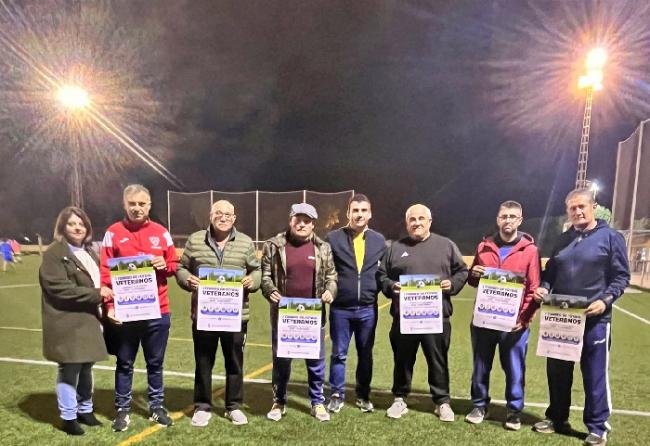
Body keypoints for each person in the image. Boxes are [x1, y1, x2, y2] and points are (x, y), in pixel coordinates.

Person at [533, 189, 630, 446]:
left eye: (581, 207)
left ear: (593, 206)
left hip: (595, 319)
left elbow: (622, 277)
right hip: (561, 316)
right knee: (558, 372)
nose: (577, 211)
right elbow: (550, 272)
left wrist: (605, 300)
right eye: (572, 208)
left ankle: (598, 427)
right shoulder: (563, 239)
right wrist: (544, 286)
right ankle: (557, 418)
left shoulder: (611, 237)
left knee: (594, 373)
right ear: (568, 211)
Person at [377, 204, 468, 421]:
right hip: (404, 318)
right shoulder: (395, 248)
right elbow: (382, 275)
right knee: (402, 360)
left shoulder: (446, 245)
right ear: (407, 223)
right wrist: (391, 286)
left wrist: (453, 284)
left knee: (437, 360)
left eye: (421, 219)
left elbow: (462, 270)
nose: (417, 223)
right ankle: (399, 398)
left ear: (429, 221)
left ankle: (442, 401)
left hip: (436, 318)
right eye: (412, 219)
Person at [100, 184, 179, 432]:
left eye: (141, 204)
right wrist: (110, 305)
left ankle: (156, 407)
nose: (137, 208)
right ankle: (122, 410)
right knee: (125, 363)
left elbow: (175, 264)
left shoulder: (161, 232)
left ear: (149, 205)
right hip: (126, 312)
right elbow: (105, 272)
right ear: (124, 205)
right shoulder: (112, 233)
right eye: (132, 203)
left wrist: (163, 264)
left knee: (155, 363)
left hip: (158, 311)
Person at [176, 200, 261, 427]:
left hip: (236, 316)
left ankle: (233, 406)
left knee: (235, 363)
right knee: (204, 362)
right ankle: (202, 406)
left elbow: (256, 269)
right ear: (210, 216)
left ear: (234, 218)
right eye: (218, 213)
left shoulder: (245, 242)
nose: (223, 218)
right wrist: (187, 279)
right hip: (205, 315)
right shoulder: (195, 240)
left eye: (228, 214)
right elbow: (181, 268)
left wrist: (253, 281)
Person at [464, 200, 541, 430]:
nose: (507, 220)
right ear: (498, 219)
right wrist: (473, 274)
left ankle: (514, 411)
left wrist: (525, 319)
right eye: (504, 216)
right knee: (480, 365)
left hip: (514, 324)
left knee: (514, 368)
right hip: (484, 320)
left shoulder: (530, 250)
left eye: (512, 216)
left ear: (520, 220)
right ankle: (479, 405)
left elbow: (533, 288)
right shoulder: (483, 247)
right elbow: (473, 282)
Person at [261, 203, 337, 422]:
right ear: (290, 220)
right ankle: (279, 401)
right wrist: (270, 290)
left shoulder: (323, 248)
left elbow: (332, 276)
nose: (302, 224)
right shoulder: (274, 246)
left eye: (307, 220)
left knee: (316, 362)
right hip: (284, 316)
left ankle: (317, 402)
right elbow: (265, 275)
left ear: (313, 224)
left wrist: (330, 291)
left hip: (313, 316)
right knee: (281, 361)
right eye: (298, 219)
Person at [39, 207, 111, 435]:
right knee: (69, 368)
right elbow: (58, 288)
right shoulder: (54, 253)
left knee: (86, 365)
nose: (77, 227)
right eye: (71, 224)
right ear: (62, 227)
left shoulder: (89, 252)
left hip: (89, 319)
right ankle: (68, 416)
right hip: (67, 321)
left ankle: (85, 410)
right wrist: (97, 294)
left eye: (81, 223)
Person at [325, 194, 386, 413]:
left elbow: (385, 271)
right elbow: (325, 268)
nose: (359, 214)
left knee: (365, 353)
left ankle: (363, 395)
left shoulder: (379, 240)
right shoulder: (333, 238)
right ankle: (336, 395)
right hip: (341, 308)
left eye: (363, 210)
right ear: (348, 213)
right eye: (355, 210)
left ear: (370, 214)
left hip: (368, 309)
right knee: (339, 353)